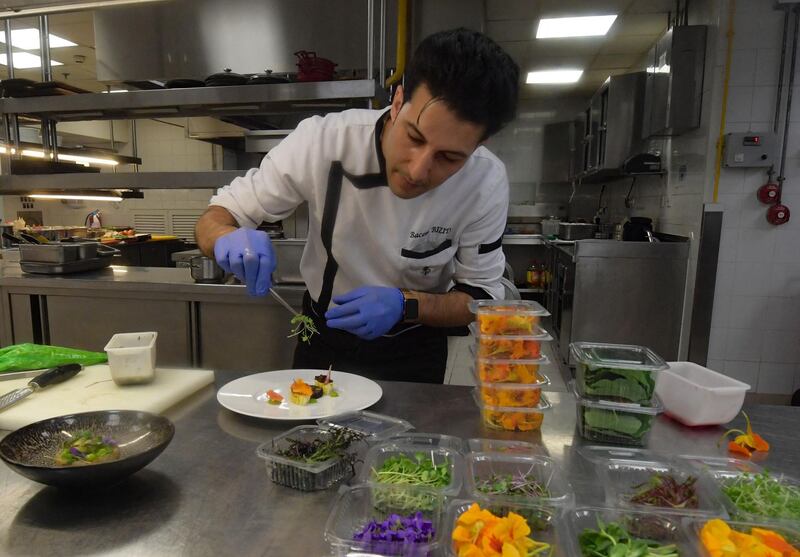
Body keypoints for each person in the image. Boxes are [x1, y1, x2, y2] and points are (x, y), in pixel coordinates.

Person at [195, 28, 519, 383]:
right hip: (323, 340)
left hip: (415, 347)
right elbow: (217, 216)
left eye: (449, 157)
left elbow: (480, 298)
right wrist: (225, 236)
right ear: (397, 103)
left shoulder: (484, 182)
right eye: (414, 137)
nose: (418, 170)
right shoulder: (326, 141)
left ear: (479, 145)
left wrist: (406, 305)